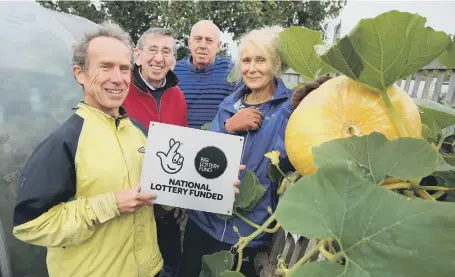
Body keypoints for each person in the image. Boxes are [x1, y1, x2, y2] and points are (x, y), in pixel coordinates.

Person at [11, 21, 244, 277]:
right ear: (79, 73)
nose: (117, 78)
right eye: (105, 66)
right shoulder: (66, 141)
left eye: (123, 68)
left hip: (150, 267)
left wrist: (212, 183)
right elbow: (30, 225)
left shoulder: (137, 132)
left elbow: (161, 183)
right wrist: (111, 205)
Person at [176, 26, 331, 277]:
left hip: (248, 231)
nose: (252, 68)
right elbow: (203, 158)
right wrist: (228, 127)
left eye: (261, 60)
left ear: (276, 64)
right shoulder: (228, 106)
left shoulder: (291, 108)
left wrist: (297, 111)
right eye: (246, 60)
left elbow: (290, 160)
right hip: (204, 222)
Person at [122, 27, 187, 277]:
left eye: (166, 51)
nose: (159, 58)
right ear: (137, 55)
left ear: (173, 60)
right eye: (152, 50)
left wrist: (182, 198)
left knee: (168, 265)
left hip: (165, 210)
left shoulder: (177, 95)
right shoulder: (121, 90)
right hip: (129, 206)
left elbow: (181, 144)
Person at [174, 20, 237, 129]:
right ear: (189, 43)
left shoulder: (230, 70)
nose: (203, 45)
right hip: (179, 142)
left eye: (209, 41)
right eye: (198, 39)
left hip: (218, 141)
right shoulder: (173, 71)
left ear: (218, 46)